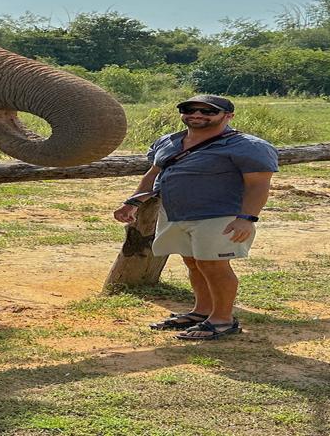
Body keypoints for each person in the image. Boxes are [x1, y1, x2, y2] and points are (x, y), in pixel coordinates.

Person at [113, 95, 278, 340]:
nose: (197, 115)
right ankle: (202, 312)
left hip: (219, 215)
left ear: (228, 116)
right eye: (190, 109)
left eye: (208, 111)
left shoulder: (247, 146)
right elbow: (154, 173)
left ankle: (223, 321)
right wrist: (134, 201)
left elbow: (258, 185)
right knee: (193, 262)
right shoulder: (169, 141)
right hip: (177, 213)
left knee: (214, 265)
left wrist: (246, 218)